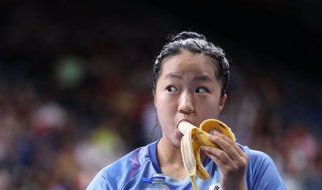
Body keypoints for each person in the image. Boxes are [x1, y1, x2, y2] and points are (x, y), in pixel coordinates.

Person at [86, 31, 287, 190]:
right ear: (155, 97)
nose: (186, 105)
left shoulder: (255, 169)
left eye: (201, 90)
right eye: (172, 88)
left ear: (221, 103)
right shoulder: (115, 181)